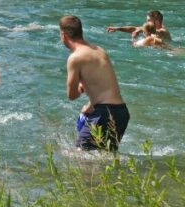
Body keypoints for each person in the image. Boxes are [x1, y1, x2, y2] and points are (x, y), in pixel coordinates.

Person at [60, 15, 130, 151]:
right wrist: (91, 104)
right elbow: (106, 86)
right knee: (104, 160)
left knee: (79, 158)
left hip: (104, 114)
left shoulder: (75, 58)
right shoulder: (98, 49)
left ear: (63, 34)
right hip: (121, 112)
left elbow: (72, 95)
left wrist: (80, 87)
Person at [107, 10, 171, 43]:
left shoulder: (163, 31)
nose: (147, 22)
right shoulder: (152, 28)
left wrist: (134, 38)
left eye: (149, 20)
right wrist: (117, 28)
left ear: (157, 21)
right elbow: (134, 28)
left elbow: (155, 32)